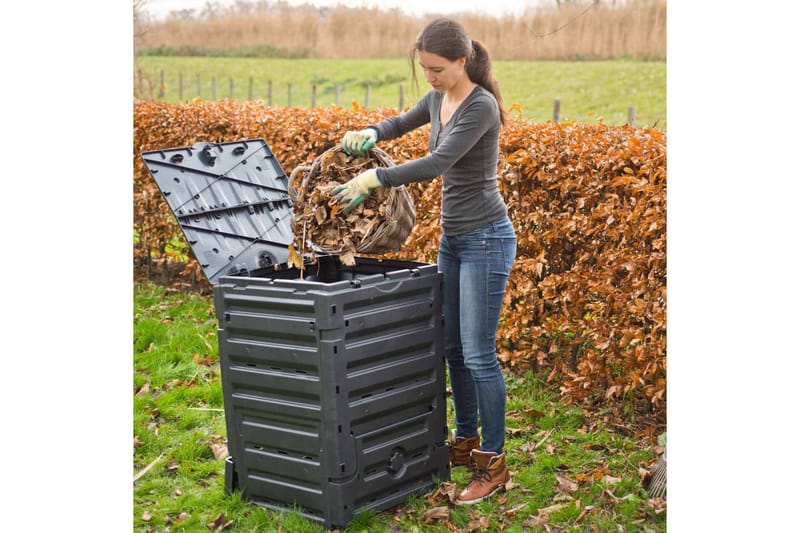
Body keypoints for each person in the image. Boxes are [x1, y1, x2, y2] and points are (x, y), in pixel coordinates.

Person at [332, 17, 517, 505]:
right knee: (453, 349)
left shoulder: (481, 108)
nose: (430, 78)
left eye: (437, 69)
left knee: (479, 354)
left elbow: (438, 163)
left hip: (487, 239)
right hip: (454, 240)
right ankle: (466, 441)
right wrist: (370, 131)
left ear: (462, 61)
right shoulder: (438, 98)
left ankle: (494, 462)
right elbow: (399, 123)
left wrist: (376, 178)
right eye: (424, 69)